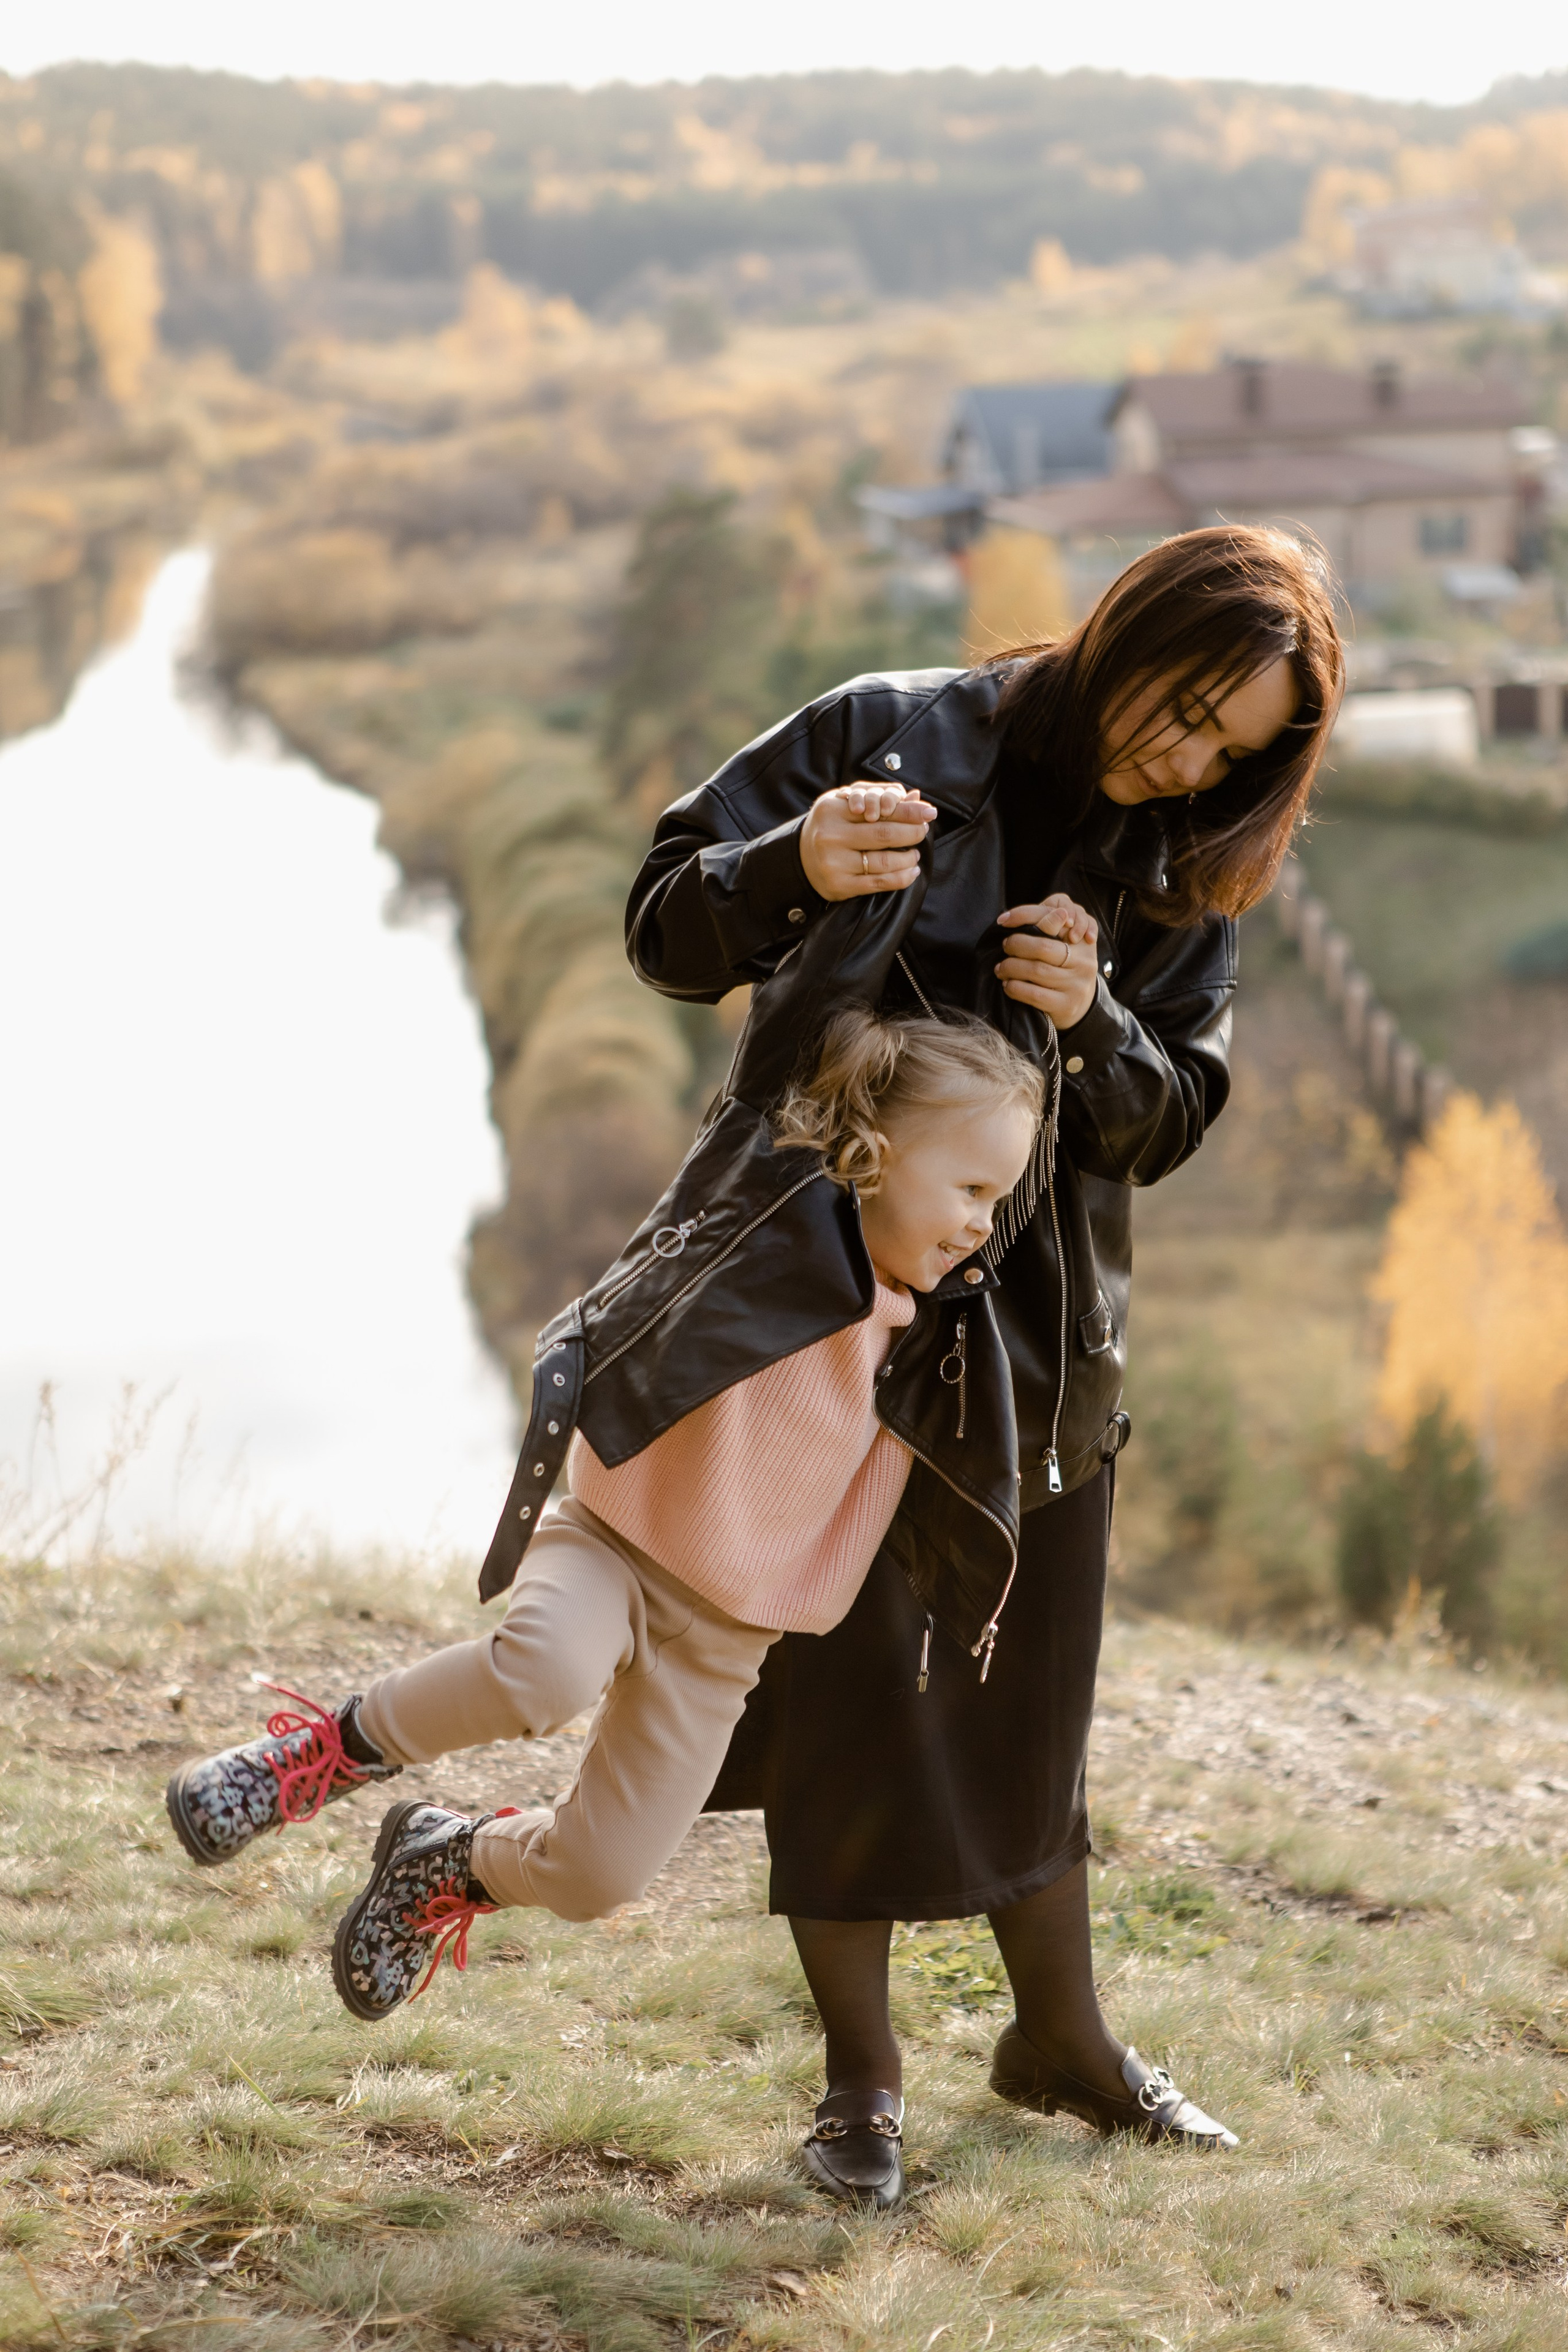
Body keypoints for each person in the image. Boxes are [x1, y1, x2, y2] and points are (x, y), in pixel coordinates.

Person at [625, 524, 1345, 2204]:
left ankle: (1063, 2043)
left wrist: (1098, 1021)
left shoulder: (1186, 868)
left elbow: (1165, 1124)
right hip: (819, 1324)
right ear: (1132, 629)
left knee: (1036, 1705)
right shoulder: (889, 732)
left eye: (1231, 756)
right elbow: (666, 926)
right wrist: (793, 861)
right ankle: (863, 2089)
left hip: (1042, 1356)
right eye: (1184, 712)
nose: (1184, 765)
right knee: (848, 1701)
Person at [166, 994, 1044, 2059]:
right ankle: (321, 1755)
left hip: (729, 1641)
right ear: (871, 1151)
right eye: (969, 1187)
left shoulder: (944, 1335)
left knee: (599, 1876)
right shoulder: (779, 1218)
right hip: (619, 1542)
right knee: (542, 1673)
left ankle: (452, 1859)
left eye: (1000, 1198)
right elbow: (780, 1058)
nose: (982, 1222)